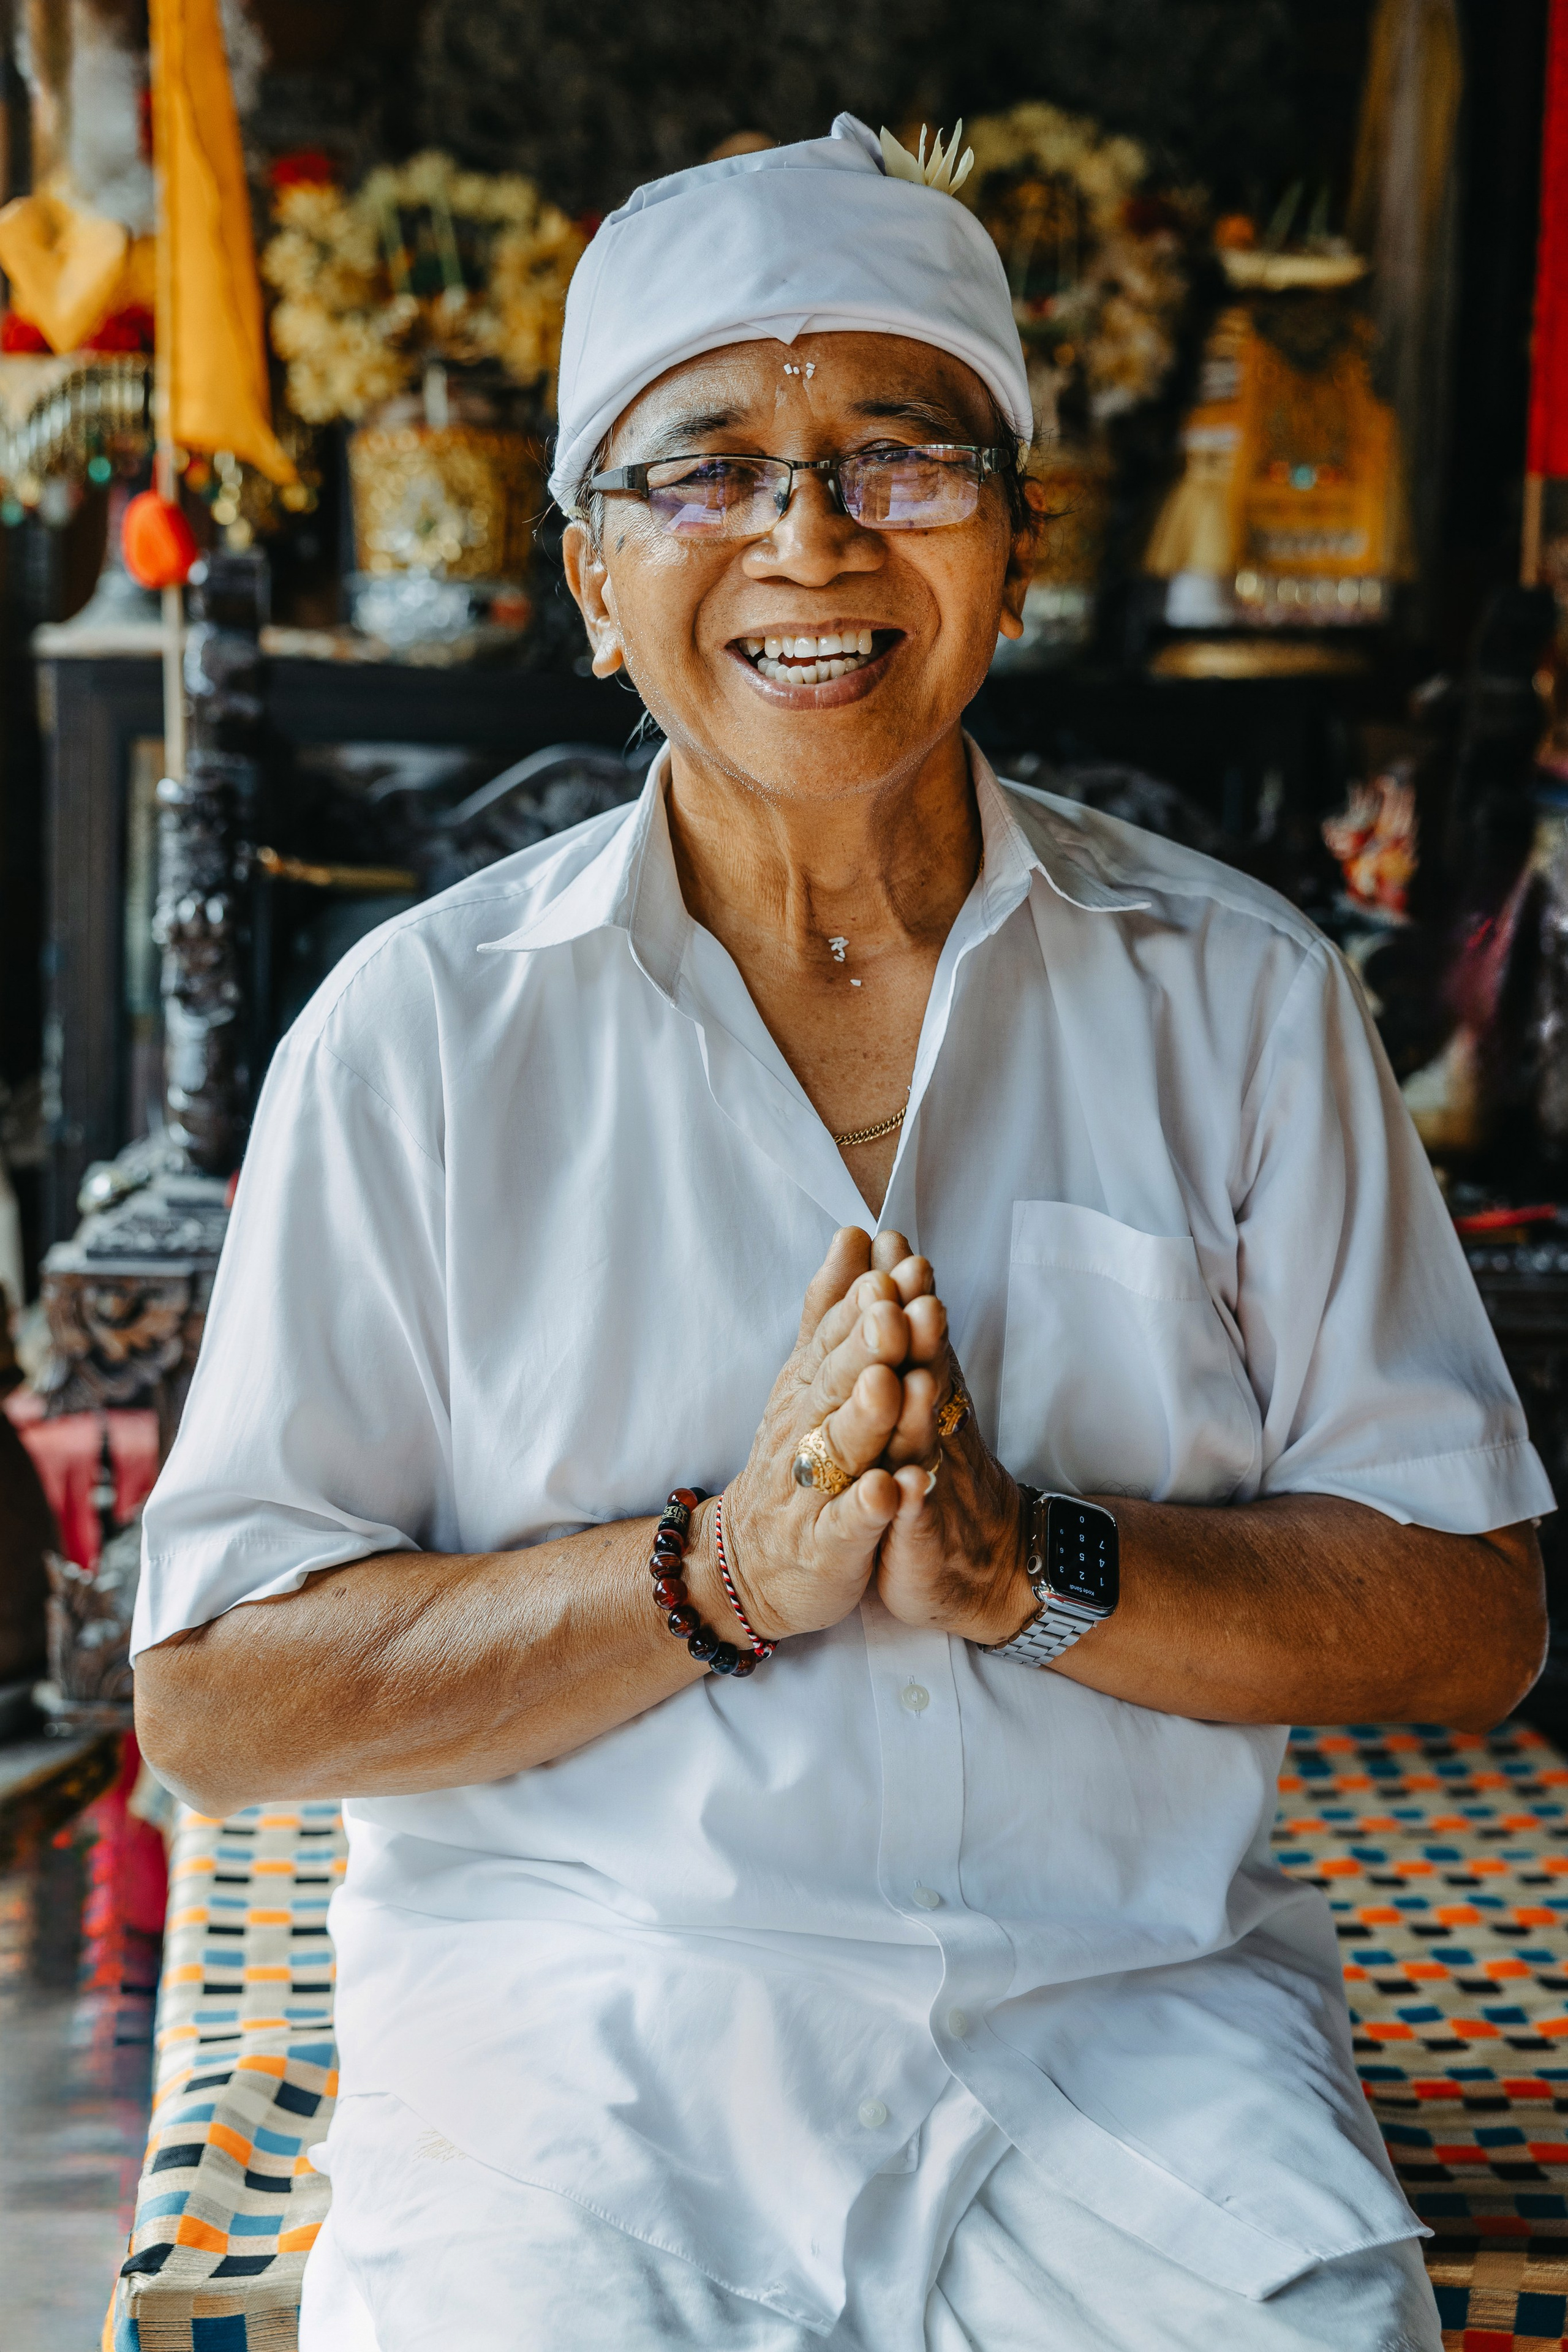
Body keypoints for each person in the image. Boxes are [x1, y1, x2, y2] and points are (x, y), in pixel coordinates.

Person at [132, 115, 1552, 2352]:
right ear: (592, 580)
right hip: (576, 2059)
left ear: (1014, 541)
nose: (809, 536)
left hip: (1134, 2048)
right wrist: (713, 1578)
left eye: (902, 456)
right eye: (702, 470)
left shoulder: (1242, 994)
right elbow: (216, 1697)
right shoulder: (411, 1044)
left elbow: (1467, 1615)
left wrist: (1031, 1566)